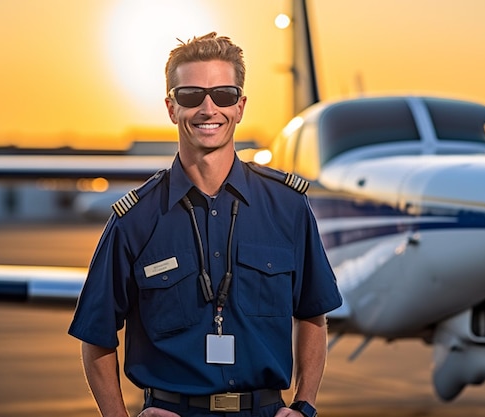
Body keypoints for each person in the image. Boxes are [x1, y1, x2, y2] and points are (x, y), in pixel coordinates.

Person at [68, 32, 342, 417]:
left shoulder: (288, 207)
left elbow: (313, 313)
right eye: (191, 95)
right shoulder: (134, 220)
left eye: (224, 95)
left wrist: (304, 405)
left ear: (240, 106)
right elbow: (95, 337)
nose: (208, 109)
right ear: (170, 107)